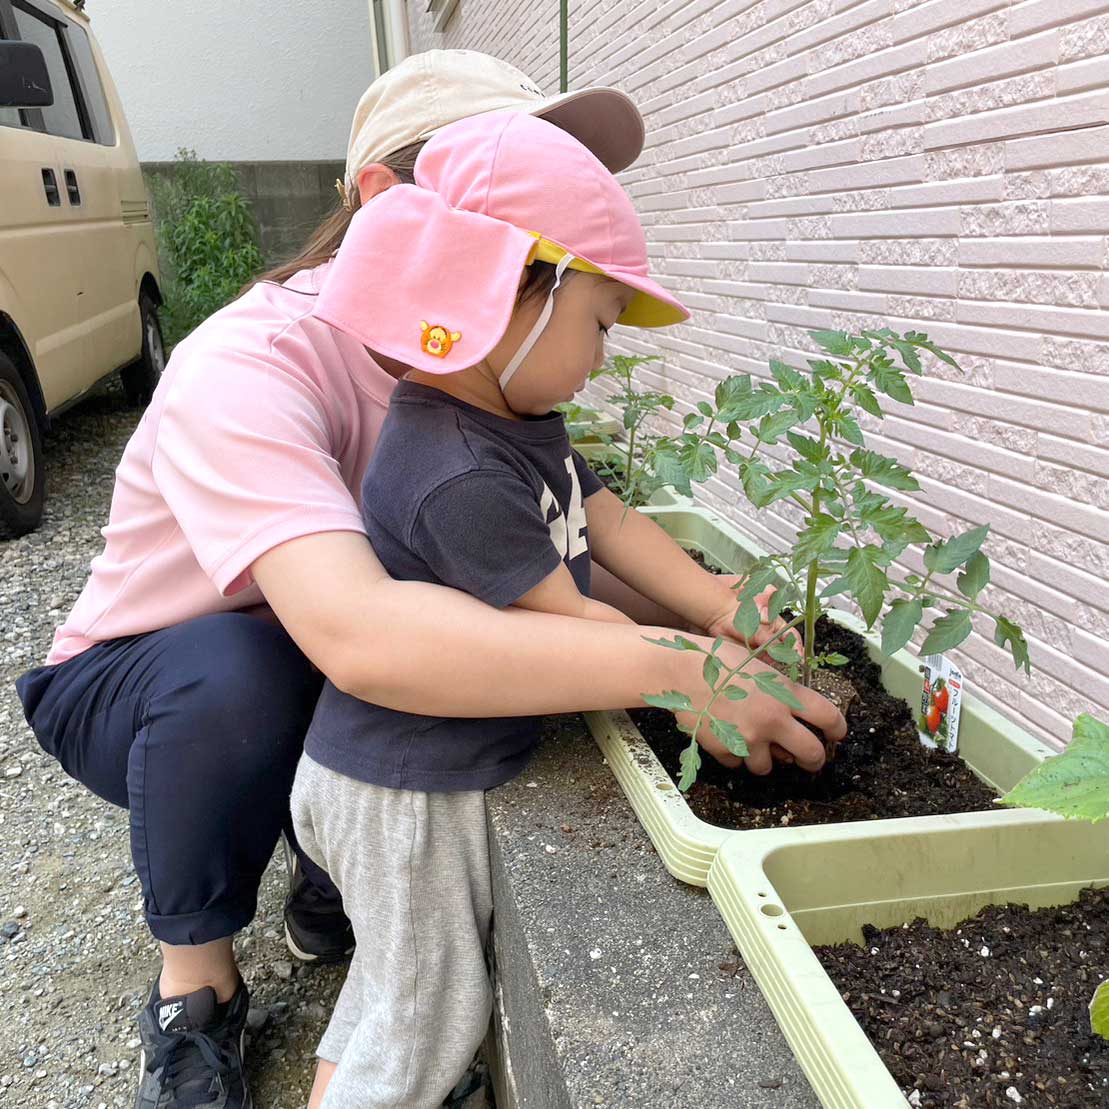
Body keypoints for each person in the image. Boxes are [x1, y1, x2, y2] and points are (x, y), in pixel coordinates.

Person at [13, 50, 846, 1109]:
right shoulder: (254, 361)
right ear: (389, 200)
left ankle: (331, 896)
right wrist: (683, 667)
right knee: (254, 660)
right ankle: (196, 985)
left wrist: (720, 613)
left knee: (352, 742)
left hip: (341, 686)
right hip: (155, 681)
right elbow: (361, 634)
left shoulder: (485, 374)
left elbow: (558, 546)